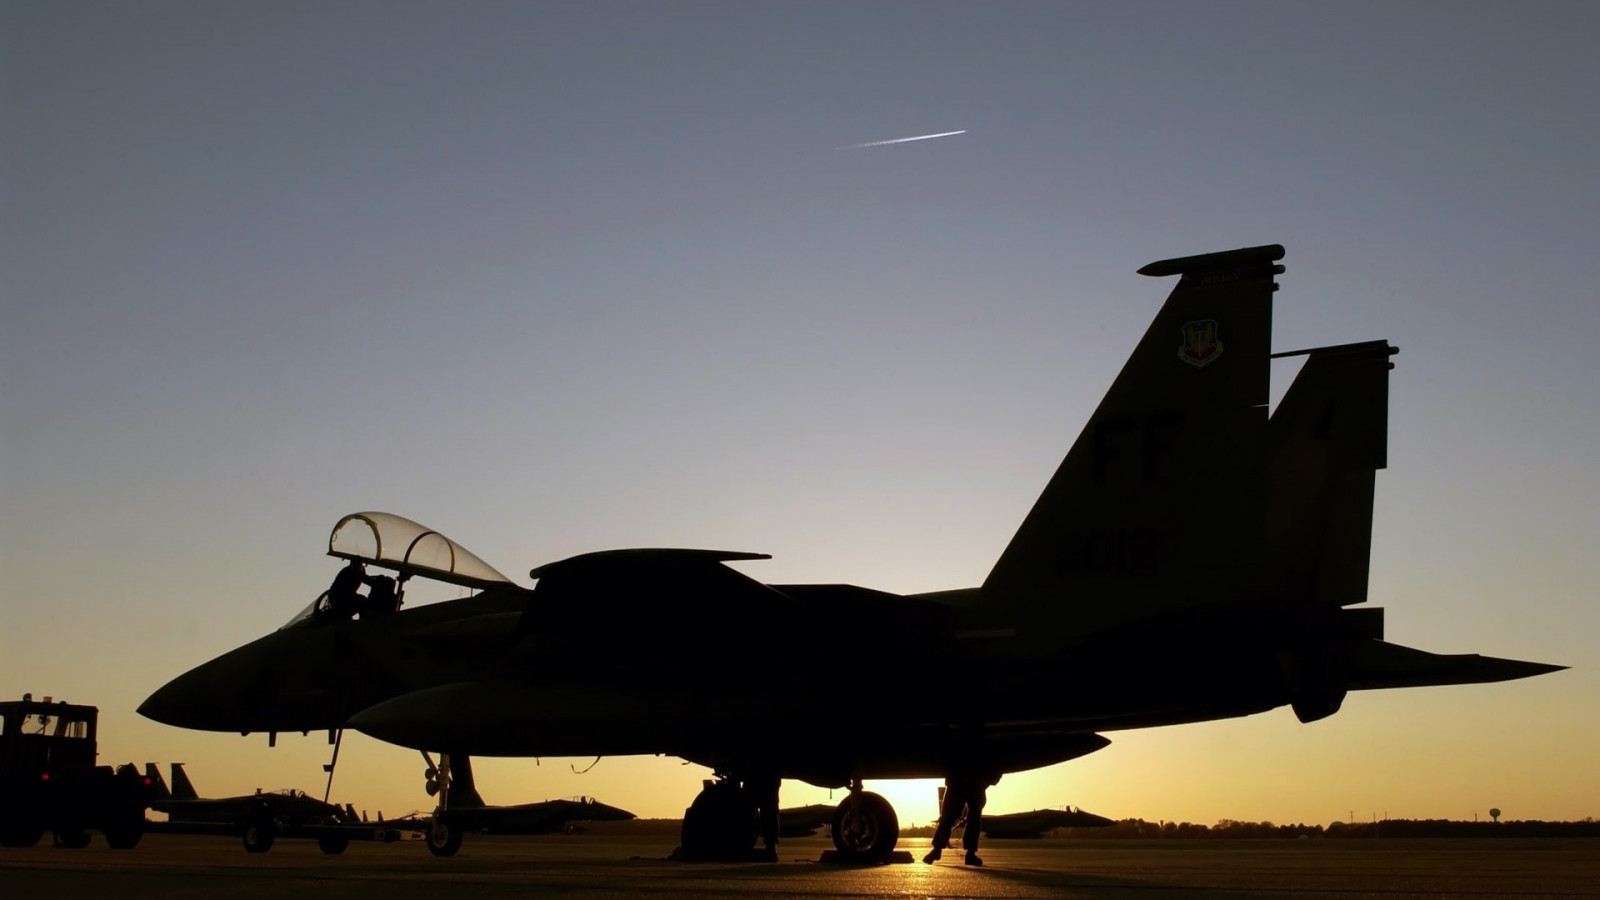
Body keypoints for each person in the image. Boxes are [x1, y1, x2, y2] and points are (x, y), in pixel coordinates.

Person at [923, 775, 989, 866]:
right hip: (970, 781)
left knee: (951, 817)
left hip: (961, 781)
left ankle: (937, 850)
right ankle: (970, 853)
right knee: (972, 818)